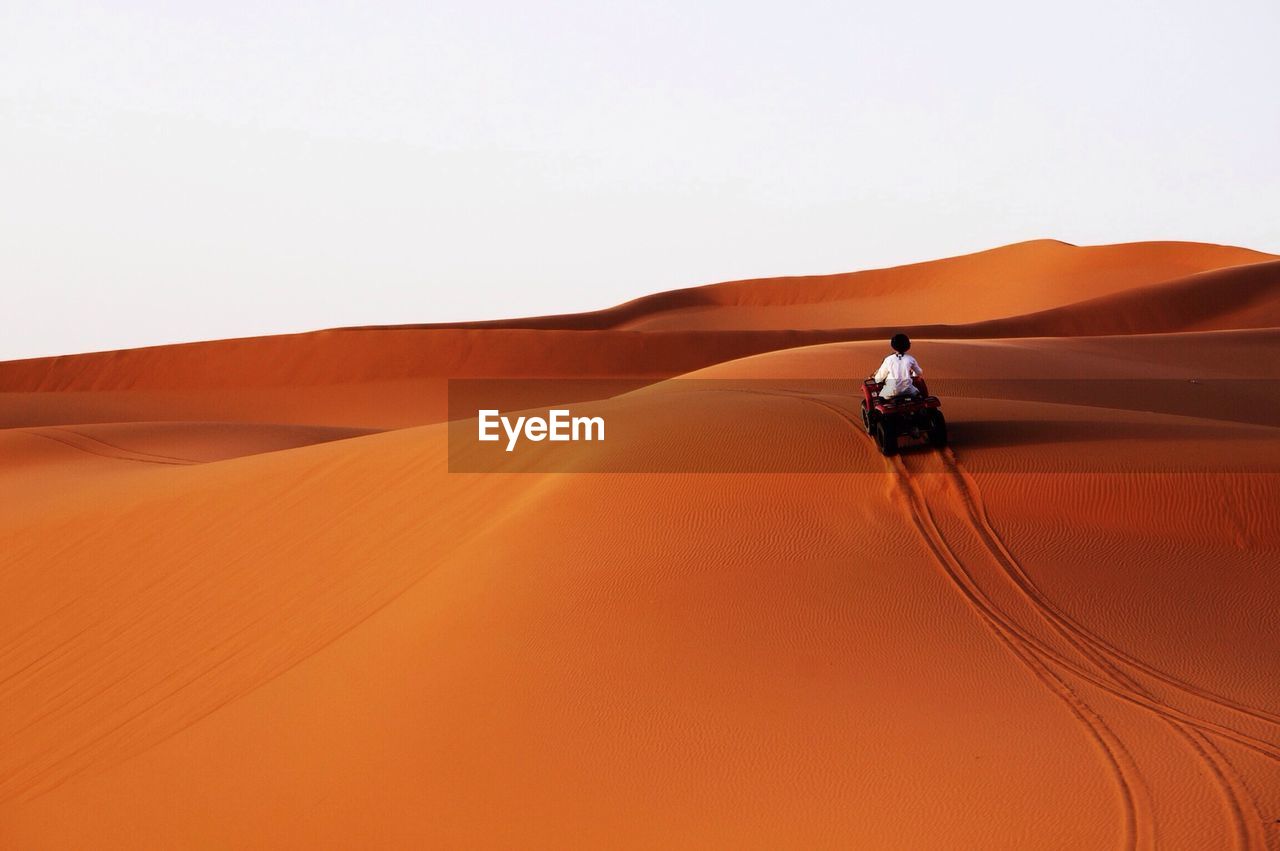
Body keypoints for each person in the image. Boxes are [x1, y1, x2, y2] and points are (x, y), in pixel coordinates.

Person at [874, 333, 923, 399]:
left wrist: (876, 379)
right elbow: (919, 372)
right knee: (919, 394)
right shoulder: (911, 359)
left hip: (891, 392)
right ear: (908, 345)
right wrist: (914, 375)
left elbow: (879, 378)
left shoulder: (888, 359)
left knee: (879, 399)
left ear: (893, 345)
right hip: (909, 391)